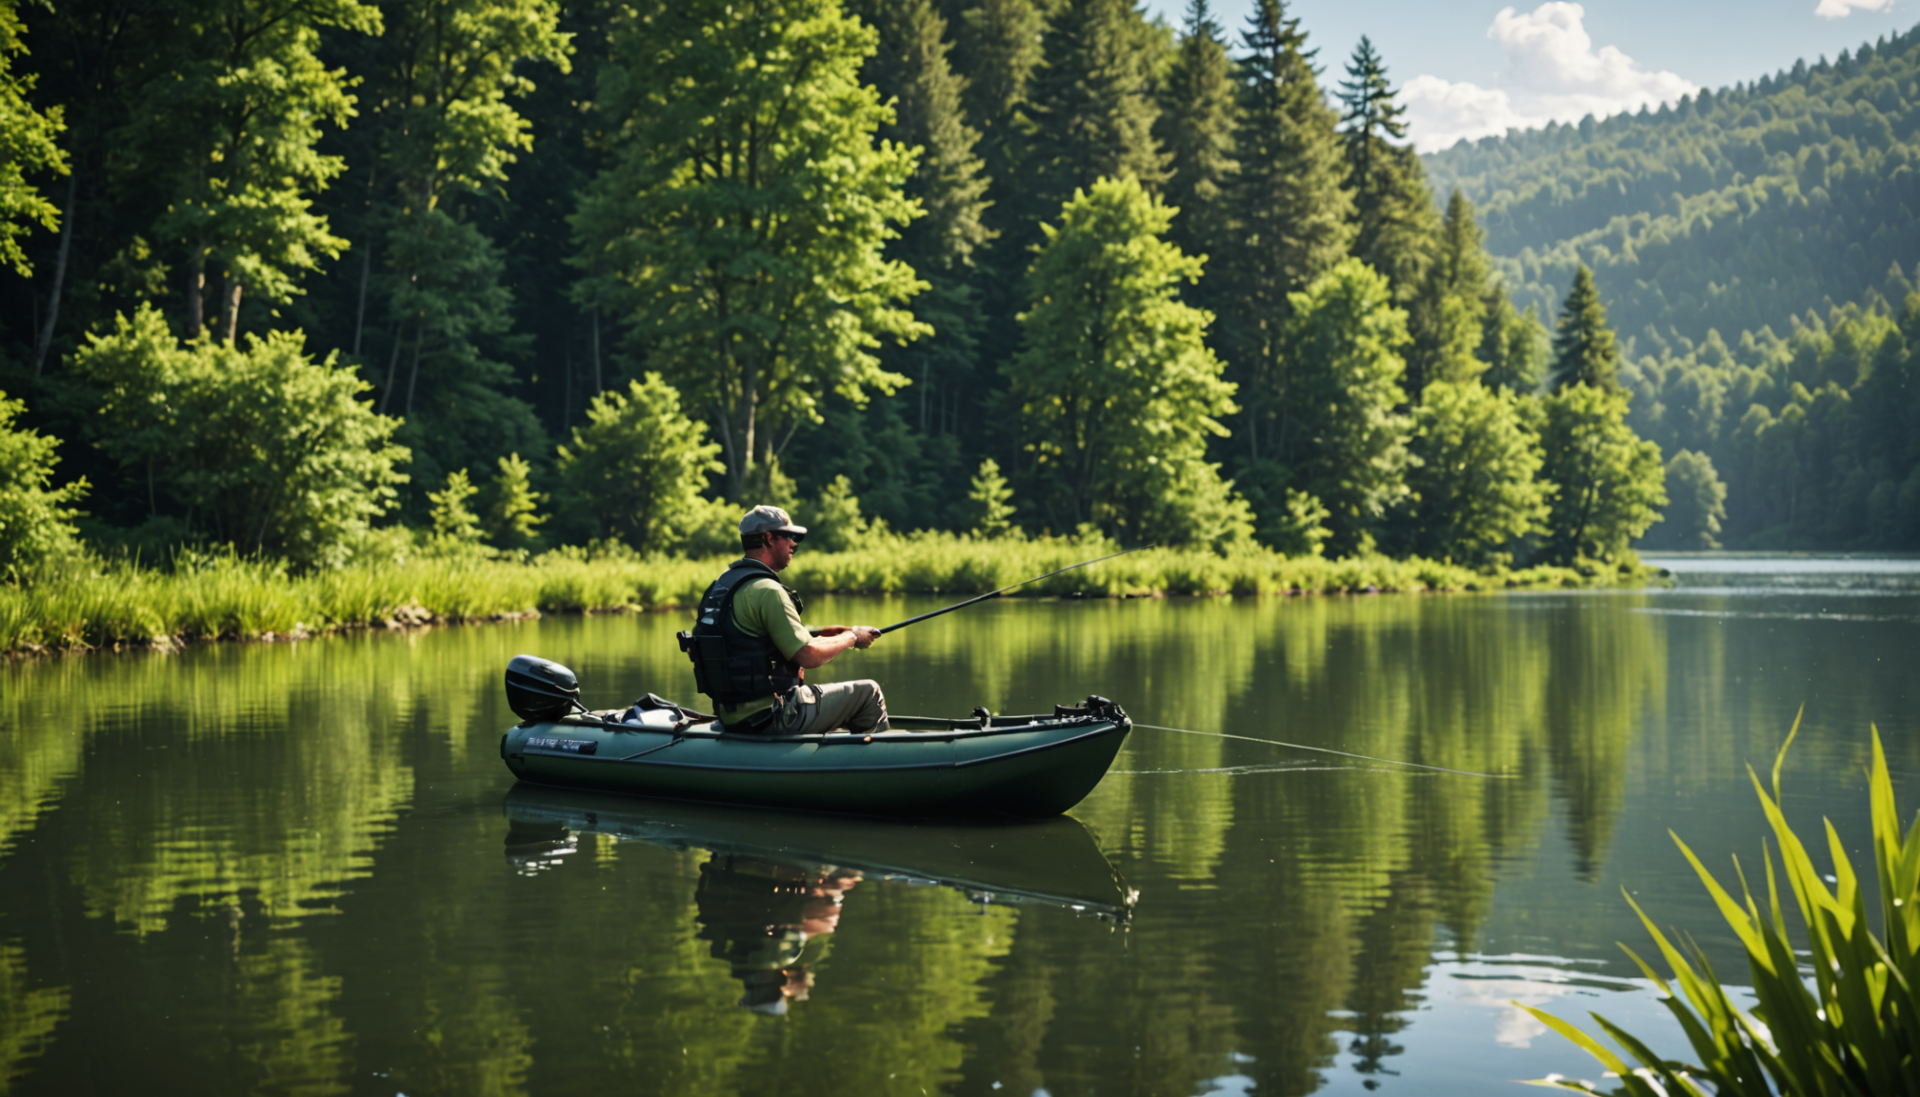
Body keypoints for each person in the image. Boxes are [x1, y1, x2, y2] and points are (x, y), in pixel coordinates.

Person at [680, 505, 889, 735]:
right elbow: (807, 654)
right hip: (771, 715)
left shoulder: (721, 587)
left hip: (731, 716)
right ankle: (873, 762)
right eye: (789, 536)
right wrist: (852, 637)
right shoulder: (768, 591)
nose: (794, 543)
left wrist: (826, 634)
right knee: (869, 692)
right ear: (768, 538)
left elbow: (749, 640)